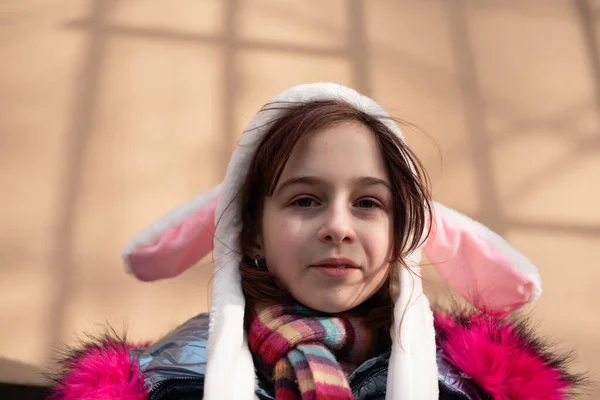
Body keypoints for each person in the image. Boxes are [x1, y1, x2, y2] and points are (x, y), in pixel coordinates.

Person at [48, 83, 583, 400]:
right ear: (251, 231)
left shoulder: (479, 388)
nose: (339, 227)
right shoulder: (158, 384)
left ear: (404, 234)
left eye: (369, 203)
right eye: (305, 200)